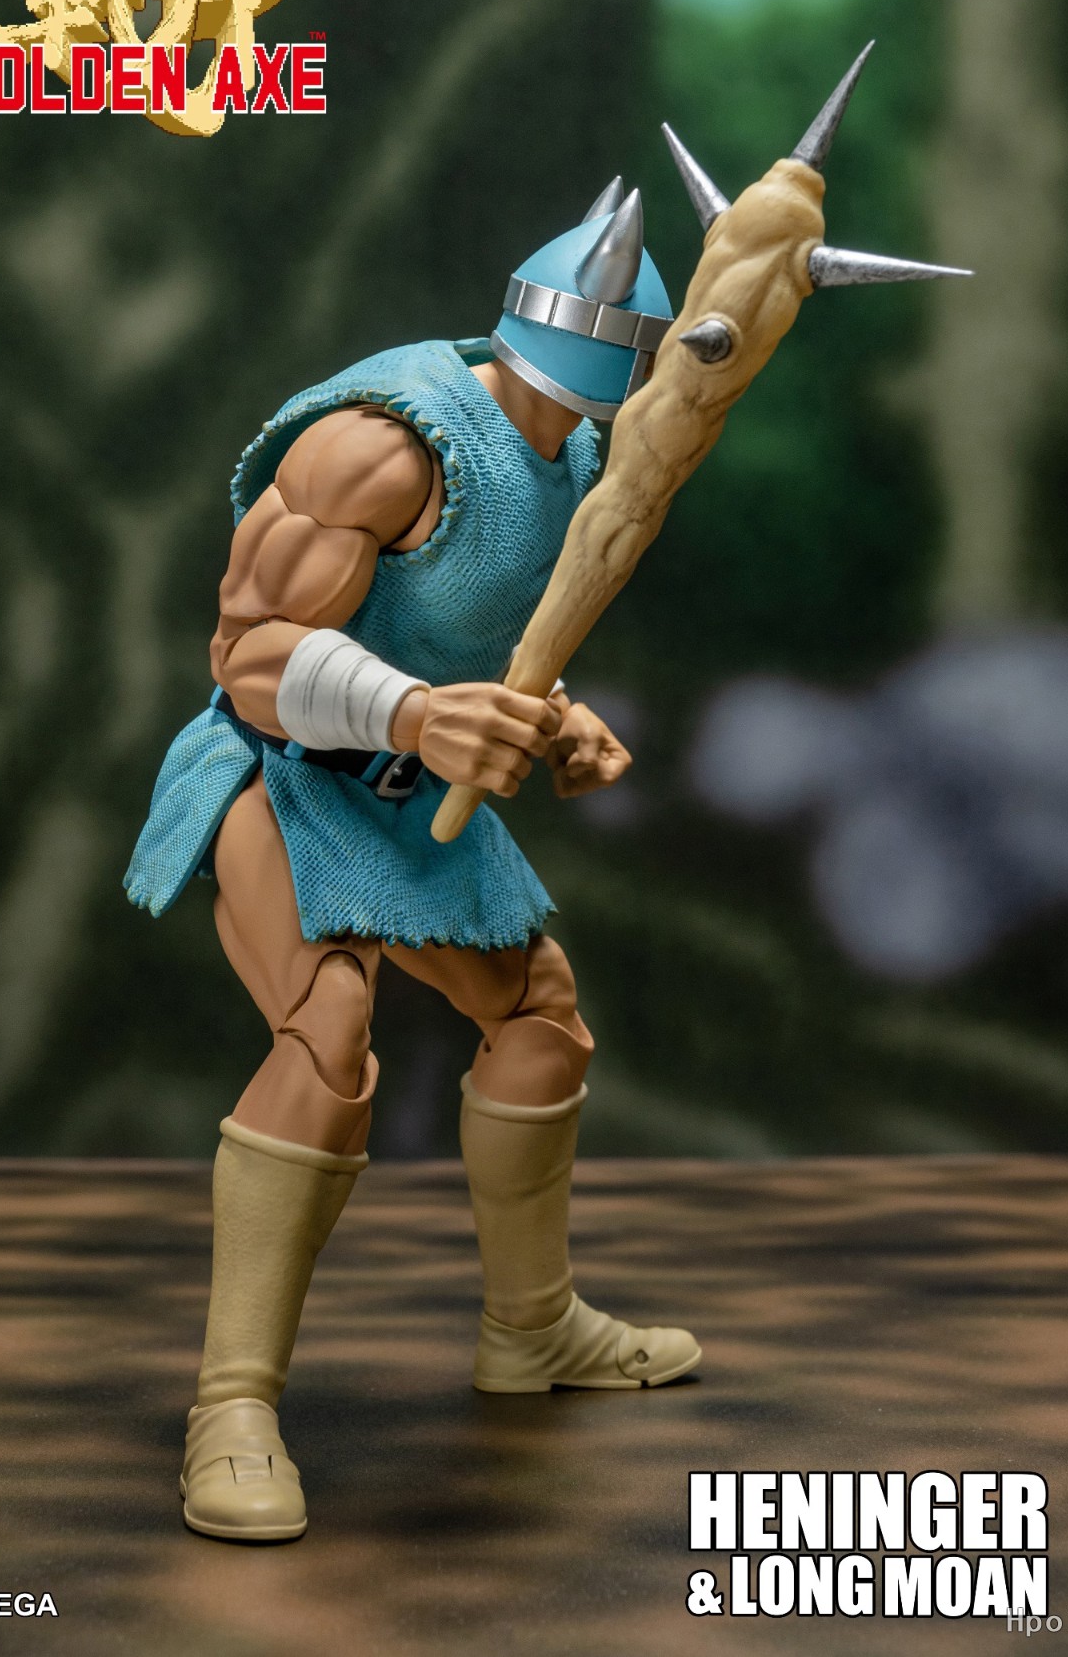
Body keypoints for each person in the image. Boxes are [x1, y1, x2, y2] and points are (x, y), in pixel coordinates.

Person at [125, 177, 701, 1543]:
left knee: (541, 1022)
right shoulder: (381, 450)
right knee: (327, 1034)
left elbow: (480, 645)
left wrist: (551, 723)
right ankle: (232, 1406)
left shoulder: (578, 462)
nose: (574, 408)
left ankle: (532, 1328)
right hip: (281, 771)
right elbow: (249, 658)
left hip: (406, 782)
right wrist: (418, 717)